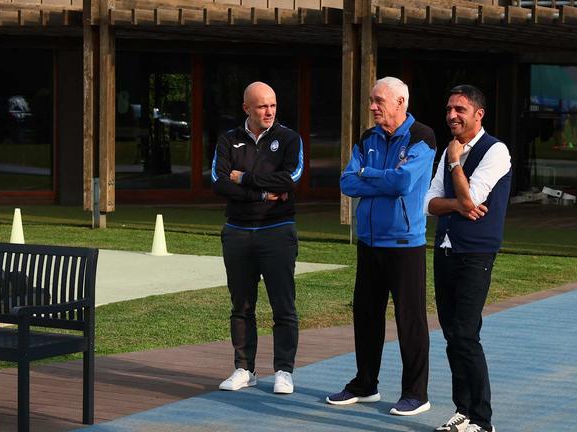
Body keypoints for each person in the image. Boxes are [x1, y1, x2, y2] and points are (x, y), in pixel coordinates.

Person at [326, 76, 436, 416]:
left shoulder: (422, 137)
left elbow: (404, 182)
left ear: (400, 103)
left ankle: (416, 393)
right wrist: (381, 177)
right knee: (366, 315)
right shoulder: (367, 138)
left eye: (378, 101)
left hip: (405, 243)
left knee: (410, 319)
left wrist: (368, 174)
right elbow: (347, 181)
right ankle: (365, 384)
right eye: (372, 100)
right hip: (369, 242)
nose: (372, 106)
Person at [425, 85, 512, 432]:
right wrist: (458, 204)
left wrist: (457, 162)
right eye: (449, 109)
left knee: (465, 332)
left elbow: (473, 196)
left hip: (476, 252)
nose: (451, 116)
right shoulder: (446, 151)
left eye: (460, 109)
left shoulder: (496, 151)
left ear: (479, 114)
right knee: (451, 333)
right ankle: (463, 410)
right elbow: (429, 203)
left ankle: (482, 419)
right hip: (444, 250)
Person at [212, 81, 304, 395]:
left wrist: (247, 178)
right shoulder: (228, 140)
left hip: (277, 231)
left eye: (273, 105)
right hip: (237, 232)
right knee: (241, 305)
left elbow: (290, 179)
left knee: (283, 305)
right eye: (262, 106)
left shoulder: (289, 139)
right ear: (246, 108)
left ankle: (284, 371)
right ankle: (244, 368)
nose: (269, 112)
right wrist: (264, 192)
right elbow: (219, 181)